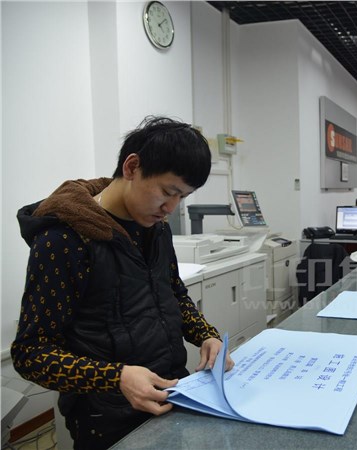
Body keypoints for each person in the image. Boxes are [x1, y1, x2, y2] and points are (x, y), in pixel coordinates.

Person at [12, 116, 235, 449]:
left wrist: (207, 335)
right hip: (106, 420)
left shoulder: (155, 228)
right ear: (132, 167)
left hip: (173, 396)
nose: (170, 208)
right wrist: (116, 378)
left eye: (181, 198)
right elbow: (30, 353)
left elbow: (174, 294)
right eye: (167, 192)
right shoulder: (63, 240)